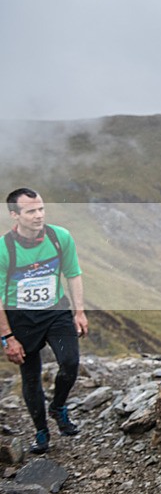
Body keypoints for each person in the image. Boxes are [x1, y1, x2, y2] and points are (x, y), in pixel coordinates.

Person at [0, 188, 88, 454]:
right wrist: (7, 337)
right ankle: (41, 432)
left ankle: (58, 406)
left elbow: (73, 274)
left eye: (41, 209)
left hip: (55, 312)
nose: (39, 215)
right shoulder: (4, 249)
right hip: (21, 319)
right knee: (30, 376)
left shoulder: (60, 237)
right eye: (31, 211)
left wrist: (79, 312)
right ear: (15, 215)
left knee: (70, 362)